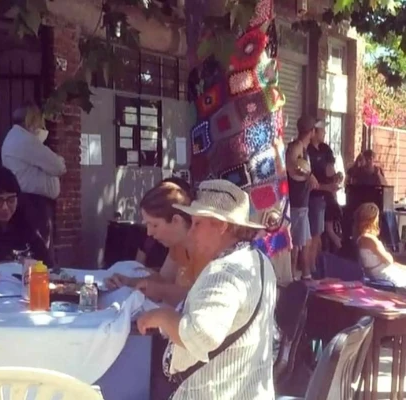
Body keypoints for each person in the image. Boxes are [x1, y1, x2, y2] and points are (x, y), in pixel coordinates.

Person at [136, 179, 277, 399]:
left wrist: (161, 317)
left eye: (197, 224)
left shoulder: (224, 272)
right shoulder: (257, 260)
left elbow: (200, 335)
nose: (191, 233)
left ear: (221, 225)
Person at [106, 179, 196, 306]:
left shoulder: (206, 248)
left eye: (154, 225)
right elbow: (164, 279)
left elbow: (200, 297)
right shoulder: (177, 245)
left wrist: (160, 290)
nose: (149, 233)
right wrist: (128, 282)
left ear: (176, 221)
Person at [1, 103, 66, 259]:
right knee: (41, 251)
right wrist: (59, 160)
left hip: (27, 200)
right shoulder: (26, 140)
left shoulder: (14, 137)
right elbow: (58, 167)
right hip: (34, 203)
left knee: (32, 249)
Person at [306, 119, 341, 275]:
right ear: (314, 132)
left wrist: (336, 178)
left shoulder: (325, 149)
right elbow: (309, 180)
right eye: (322, 130)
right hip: (313, 197)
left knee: (320, 233)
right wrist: (327, 187)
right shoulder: (307, 151)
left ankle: (317, 265)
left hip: (325, 197)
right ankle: (310, 268)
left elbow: (330, 171)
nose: (324, 133)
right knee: (313, 234)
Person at [286, 116, 318, 280]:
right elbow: (291, 165)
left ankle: (293, 275)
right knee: (303, 242)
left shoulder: (304, 149)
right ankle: (305, 275)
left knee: (299, 244)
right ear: (311, 131)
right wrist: (309, 175)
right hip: (297, 202)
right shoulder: (297, 146)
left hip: (301, 202)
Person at [354, 202, 406, 287]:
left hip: (381, 270)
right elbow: (389, 260)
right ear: (373, 219)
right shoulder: (370, 239)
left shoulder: (361, 238)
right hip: (382, 273)